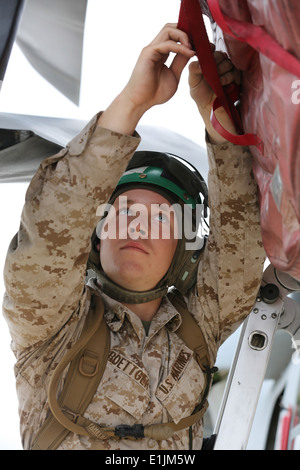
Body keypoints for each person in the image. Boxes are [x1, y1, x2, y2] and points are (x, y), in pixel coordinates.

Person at [2, 24, 265, 450]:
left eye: (160, 219)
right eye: (122, 213)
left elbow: (242, 243)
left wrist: (220, 122)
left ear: (182, 251)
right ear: (96, 235)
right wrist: (133, 102)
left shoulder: (199, 326)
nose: (137, 226)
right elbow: (52, 228)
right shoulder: (50, 325)